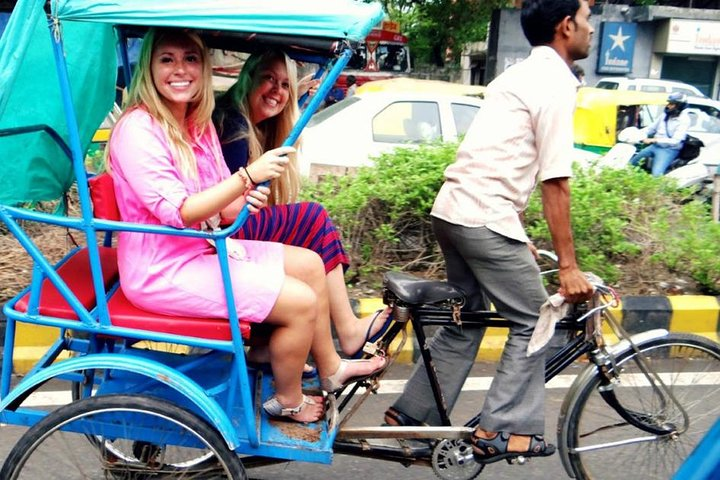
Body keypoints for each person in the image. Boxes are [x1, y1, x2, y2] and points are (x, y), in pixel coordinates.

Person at [107, 28, 386, 424]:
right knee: (301, 302)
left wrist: (244, 198)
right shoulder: (138, 129)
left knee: (309, 264)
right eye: (167, 59)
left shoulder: (194, 123)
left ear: (204, 68)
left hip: (204, 248)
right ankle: (288, 402)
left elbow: (221, 200)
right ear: (149, 68)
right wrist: (247, 177)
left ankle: (330, 369)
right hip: (164, 270)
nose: (180, 69)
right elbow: (181, 211)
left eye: (191, 59)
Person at [384, 0, 595, 464]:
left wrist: (514, 231)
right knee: (536, 318)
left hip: (455, 210)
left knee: (467, 317)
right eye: (586, 20)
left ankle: (412, 413)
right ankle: (504, 430)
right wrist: (568, 266)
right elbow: (556, 183)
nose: (591, 30)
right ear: (566, 27)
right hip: (483, 216)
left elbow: (498, 157)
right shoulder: (555, 84)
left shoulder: (517, 74)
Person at [213, 50, 392, 358]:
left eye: (284, 84)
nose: (277, 91)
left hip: (229, 227)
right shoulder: (234, 125)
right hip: (223, 232)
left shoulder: (248, 122)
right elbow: (228, 208)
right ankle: (347, 331)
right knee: (312, 217)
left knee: (307, 227)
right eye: (268, 78)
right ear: (248, 78)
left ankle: (267, 345)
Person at [628, 92, 690, 177]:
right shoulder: (665, 115)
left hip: (668, 150)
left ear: (679, 106)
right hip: (655, 146)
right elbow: (651, 128)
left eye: (672, 104)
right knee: (631, 164)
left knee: (656, 175)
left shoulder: (684, 120)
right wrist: (636, 133)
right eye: (669, 103)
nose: (668, 106)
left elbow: (676, 141)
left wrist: (653, 140)